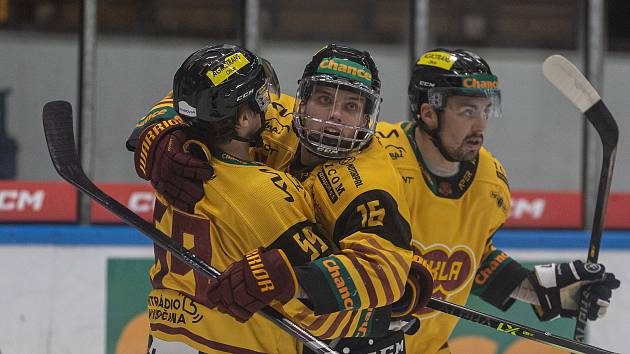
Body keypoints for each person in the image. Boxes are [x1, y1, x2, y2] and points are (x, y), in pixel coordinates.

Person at [136, 44, 434, 354]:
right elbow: (202, 88)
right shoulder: (273, 138)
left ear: (366, 116)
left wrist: (163, 129)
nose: (334, 117)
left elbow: (383, 272)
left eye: (351, 107)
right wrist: (162, 130)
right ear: (301, 102)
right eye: (323, 100)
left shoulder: (370, 184)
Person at [376, 48, 621, 353]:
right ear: (428, 113)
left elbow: (473, 262)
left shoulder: (490, 183)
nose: (480, 125)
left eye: (485, 110)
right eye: (467, 111)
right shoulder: (378, 159)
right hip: (352, 343)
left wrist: (544, 289)